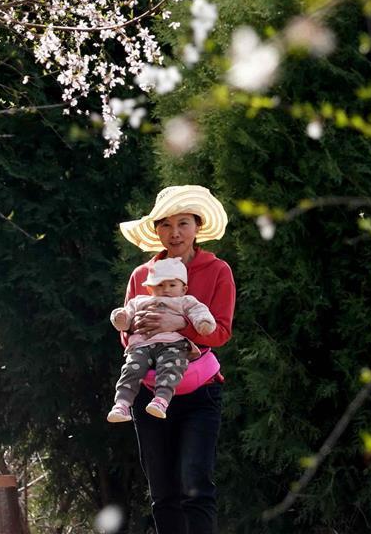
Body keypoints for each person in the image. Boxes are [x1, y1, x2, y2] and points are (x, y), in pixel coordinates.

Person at [117, 185, 235, 534]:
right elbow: (126, 335)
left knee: (195, 484)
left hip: (200, 394)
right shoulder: (141, 276)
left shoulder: (217, 271)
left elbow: (222, 332)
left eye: (183, 223)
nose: (175, 233)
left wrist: (180, 325)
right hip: (149, 393)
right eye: (166, 225)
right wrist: (138, 330)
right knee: (163, 492)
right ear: (156, 231)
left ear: (197, 226)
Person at [107, 257, 215, 422]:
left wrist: (203, 323)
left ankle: (161, 400)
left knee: (171, 365)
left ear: (184, 288)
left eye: (172, 285)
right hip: (142, 344)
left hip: (173, 344)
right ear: (150, 289)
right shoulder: (140, 301)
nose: (166, 289)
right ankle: (122, 404)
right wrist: (121, 318)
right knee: (132, 367)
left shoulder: (185, 301)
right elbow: (126, 314)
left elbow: (198, 311)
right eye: (159, 285)